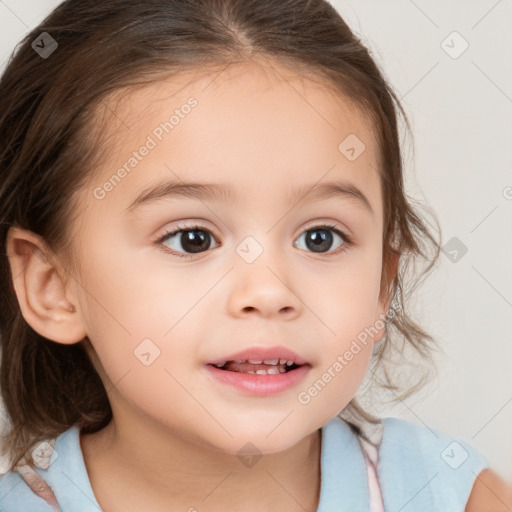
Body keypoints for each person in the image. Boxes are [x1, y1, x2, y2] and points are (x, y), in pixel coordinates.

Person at [0, 0, 510, 510]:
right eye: (192, 238)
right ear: (53, 286)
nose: (269, 292)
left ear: (381, 284)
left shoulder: (452, 494)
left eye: (320, 238)